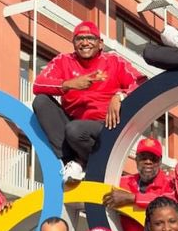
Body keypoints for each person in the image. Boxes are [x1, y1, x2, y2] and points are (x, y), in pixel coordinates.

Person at [32, 20, 143, 184]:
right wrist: (69, 84)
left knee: (75, 129)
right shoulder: (64, 60)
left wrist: (120, 96)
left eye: (90, 38)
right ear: (73, 43)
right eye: (79, 38)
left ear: (100, 44)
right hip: (73, 126)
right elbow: (38, 84)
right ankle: (73, 162)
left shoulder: (113, 61)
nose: (85, 42)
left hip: (105, 126)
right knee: (41, 102)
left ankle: (91, 163)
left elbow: (142, 83)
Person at [101, 136, 176, 231]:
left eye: (153, 158)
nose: (148, 161)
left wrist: (132, 198)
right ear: (136, 160)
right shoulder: (120, 182)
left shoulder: (170, 183)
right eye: (143, 157)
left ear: (160, 162)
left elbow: (170, 202)